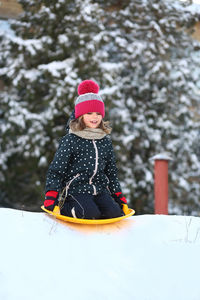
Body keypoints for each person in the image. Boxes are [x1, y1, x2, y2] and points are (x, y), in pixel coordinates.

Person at [44, 80, 128, 219]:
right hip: (75, 191)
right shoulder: (71, 140)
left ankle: (102, 207)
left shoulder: (104, 140)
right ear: (80, 116)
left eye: (98, 113)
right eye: (89, 113)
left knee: (114, 213)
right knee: (88, 213)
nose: (94, 117)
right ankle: (65, 206)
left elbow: (111, 172)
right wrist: (51, 197)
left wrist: (119, 197)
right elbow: (56, 170)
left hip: (99, 190)